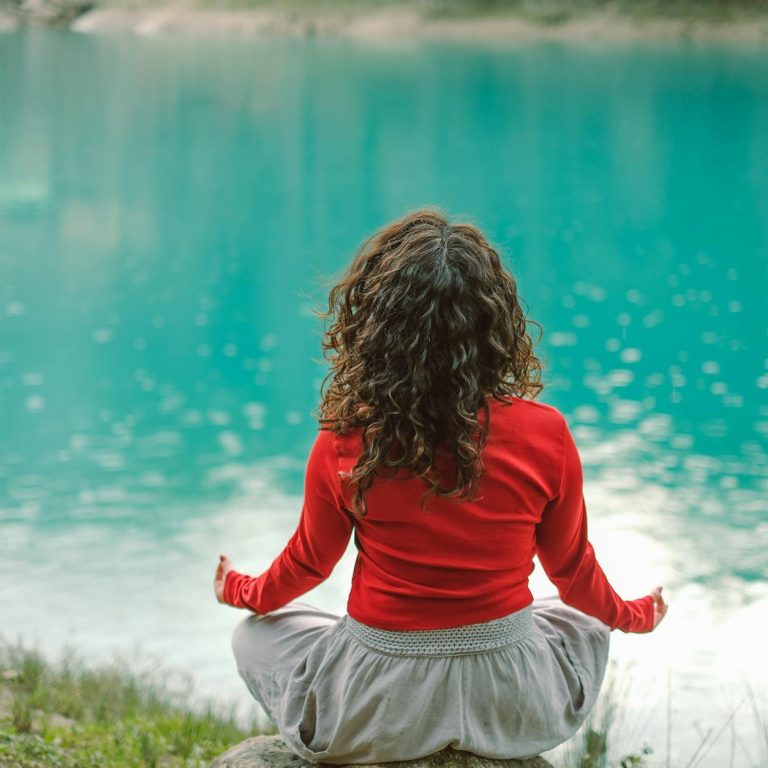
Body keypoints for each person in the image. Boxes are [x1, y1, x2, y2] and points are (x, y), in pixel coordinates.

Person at [213, 207, 668, 764]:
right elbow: (574, 575)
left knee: (253, 635)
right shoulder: (547, 433)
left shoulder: (345, 441)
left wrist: (239, 590)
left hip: (381, 707)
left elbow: (307, 565)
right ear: (494, 325)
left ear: (375, 327)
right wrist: (633, 615)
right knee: (584, 618)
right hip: (513, 700)